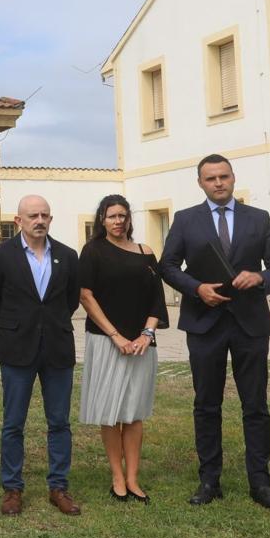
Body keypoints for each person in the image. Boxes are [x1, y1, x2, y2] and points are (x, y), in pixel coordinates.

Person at [160, 154, 270, 511]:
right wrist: (196, 288)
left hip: (250, 323)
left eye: (224, 176)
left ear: (233, 179)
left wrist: (262, 277)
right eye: (210, 178)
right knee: (206, 405)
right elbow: (167, 266)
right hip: (205, 322)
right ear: (200, 183)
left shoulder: (258, 219)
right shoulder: (186, 220)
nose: (218, 183)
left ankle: (260, 483)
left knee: (256, 406)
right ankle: (209, 480)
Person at [0, 194, 81, 517]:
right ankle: (12, 488)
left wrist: (46, 323)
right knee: (13, 423)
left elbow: (71, 299)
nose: (39, 220)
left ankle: (59, 487)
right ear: (18, 221)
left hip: (57, 348)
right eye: (33, 215)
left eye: (45, 215)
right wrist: (18, 325)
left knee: (59, 422)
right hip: (16, 348)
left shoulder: (67, 255)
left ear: (50, 220)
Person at [77, 194, 169, 503]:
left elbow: (157, 299)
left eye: (122, 216)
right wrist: (116, 336)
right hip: (107, 342)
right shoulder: (93, 251)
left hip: (142, 344)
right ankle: (117, 475)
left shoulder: (145, 253)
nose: (118, 221)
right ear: (102, 219)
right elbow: (86, 296)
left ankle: (133, 478)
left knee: (134, 413)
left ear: (129, 218)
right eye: (111, 216)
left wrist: (146, 334)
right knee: (110, 412)